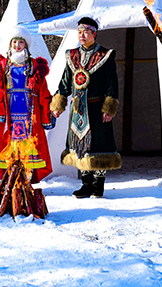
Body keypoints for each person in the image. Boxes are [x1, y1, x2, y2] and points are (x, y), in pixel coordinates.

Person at [51, 16, 120, 198]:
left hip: (97, 108)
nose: (82, 35)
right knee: (80, 146)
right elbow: (65, 82)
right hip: (78, 110)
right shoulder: (72, 56)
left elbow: (112, 84)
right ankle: (86, 184)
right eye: (80, 32)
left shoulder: (104, 55)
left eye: (86, 32)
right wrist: (58, 103)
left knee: (99, 145)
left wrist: (108, 107)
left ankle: (98, 185)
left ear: (94, 34)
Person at [0, 27, 54, 183]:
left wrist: (49, 107)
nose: (17, 45)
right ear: (10, 44)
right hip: (10, 111)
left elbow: (43, 90)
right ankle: (10, 178)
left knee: (29, 144)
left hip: (29, 112)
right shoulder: (3, 65)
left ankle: (26, 178)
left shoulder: (34, 66)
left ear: (26, 45)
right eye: (15, 41)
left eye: (21, 42)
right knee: (9, 144)